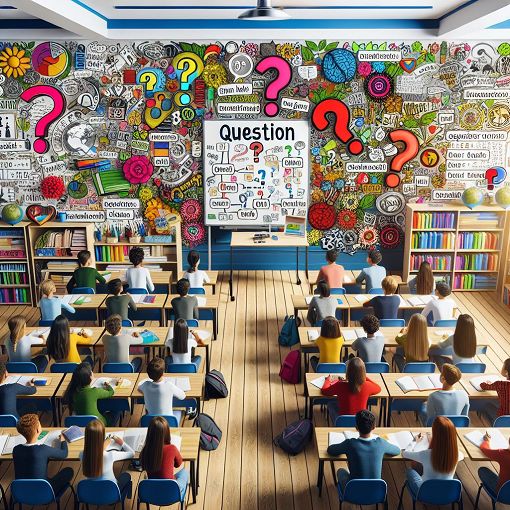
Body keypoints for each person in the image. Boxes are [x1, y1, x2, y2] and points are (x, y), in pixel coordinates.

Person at [327, 410, 400, 490]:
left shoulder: (350, 444)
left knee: (340, 471)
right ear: (374, 427)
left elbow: (331, 450)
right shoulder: (381, 443)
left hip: (353, 490)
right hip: (376, 492)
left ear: (356, 428)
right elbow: (397, 451)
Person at [13, 414, 74, 495]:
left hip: (21, 492)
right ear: (38, 430)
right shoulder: (43, 449)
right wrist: (63, 440)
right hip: (45, 492)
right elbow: (64, 454)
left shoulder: (16, 449)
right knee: (69, 471)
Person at [403, 416, 464, 495]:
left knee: (409, 471)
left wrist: (414, 441)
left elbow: (405, 453)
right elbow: (459, 454)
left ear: (436, 435)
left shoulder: (426, 454)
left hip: (425, 493)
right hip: (447, 493)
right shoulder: (457, 455)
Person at [81, 419, 133, 498]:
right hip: (111, 494)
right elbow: (132, 453)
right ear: (102, 437)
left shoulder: (82, 454)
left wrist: (104, 445)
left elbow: (95, 454)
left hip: (91, 493)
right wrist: (121, 442)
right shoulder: (110, 455)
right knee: (126, 475)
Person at [140, 416, 188, 500]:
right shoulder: (172, 448)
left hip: (152, 492)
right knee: (185, 472)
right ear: (167, 433)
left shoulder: (145, 450)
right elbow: (178, 464)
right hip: (172, 493)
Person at [321, 357, 381, 423]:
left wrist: (328, 380)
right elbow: (378, 388)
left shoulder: (340, 385)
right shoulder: (367, 385)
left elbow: (324, 391)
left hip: (343, 421)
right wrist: (363, 377)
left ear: (348, 371)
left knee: (331, 403)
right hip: (361, 422)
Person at [65, 362, 120, 426]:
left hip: (81, 424)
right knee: (117, 409)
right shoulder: (93, 391)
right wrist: (108, 385)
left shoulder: (72, 391)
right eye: (91, 371)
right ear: (90, 377)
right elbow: (111, 392)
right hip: (98, 425)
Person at [478, 431, 510, 496]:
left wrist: (486, 441)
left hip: (501, 493)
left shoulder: (503, 454)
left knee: (482, 470)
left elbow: (484, 448)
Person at [480, 358, 510, 423]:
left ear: (506, 372)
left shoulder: (500, 384)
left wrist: (487, 383)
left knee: (486, 405)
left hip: (502, 418)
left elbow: (483, 386)